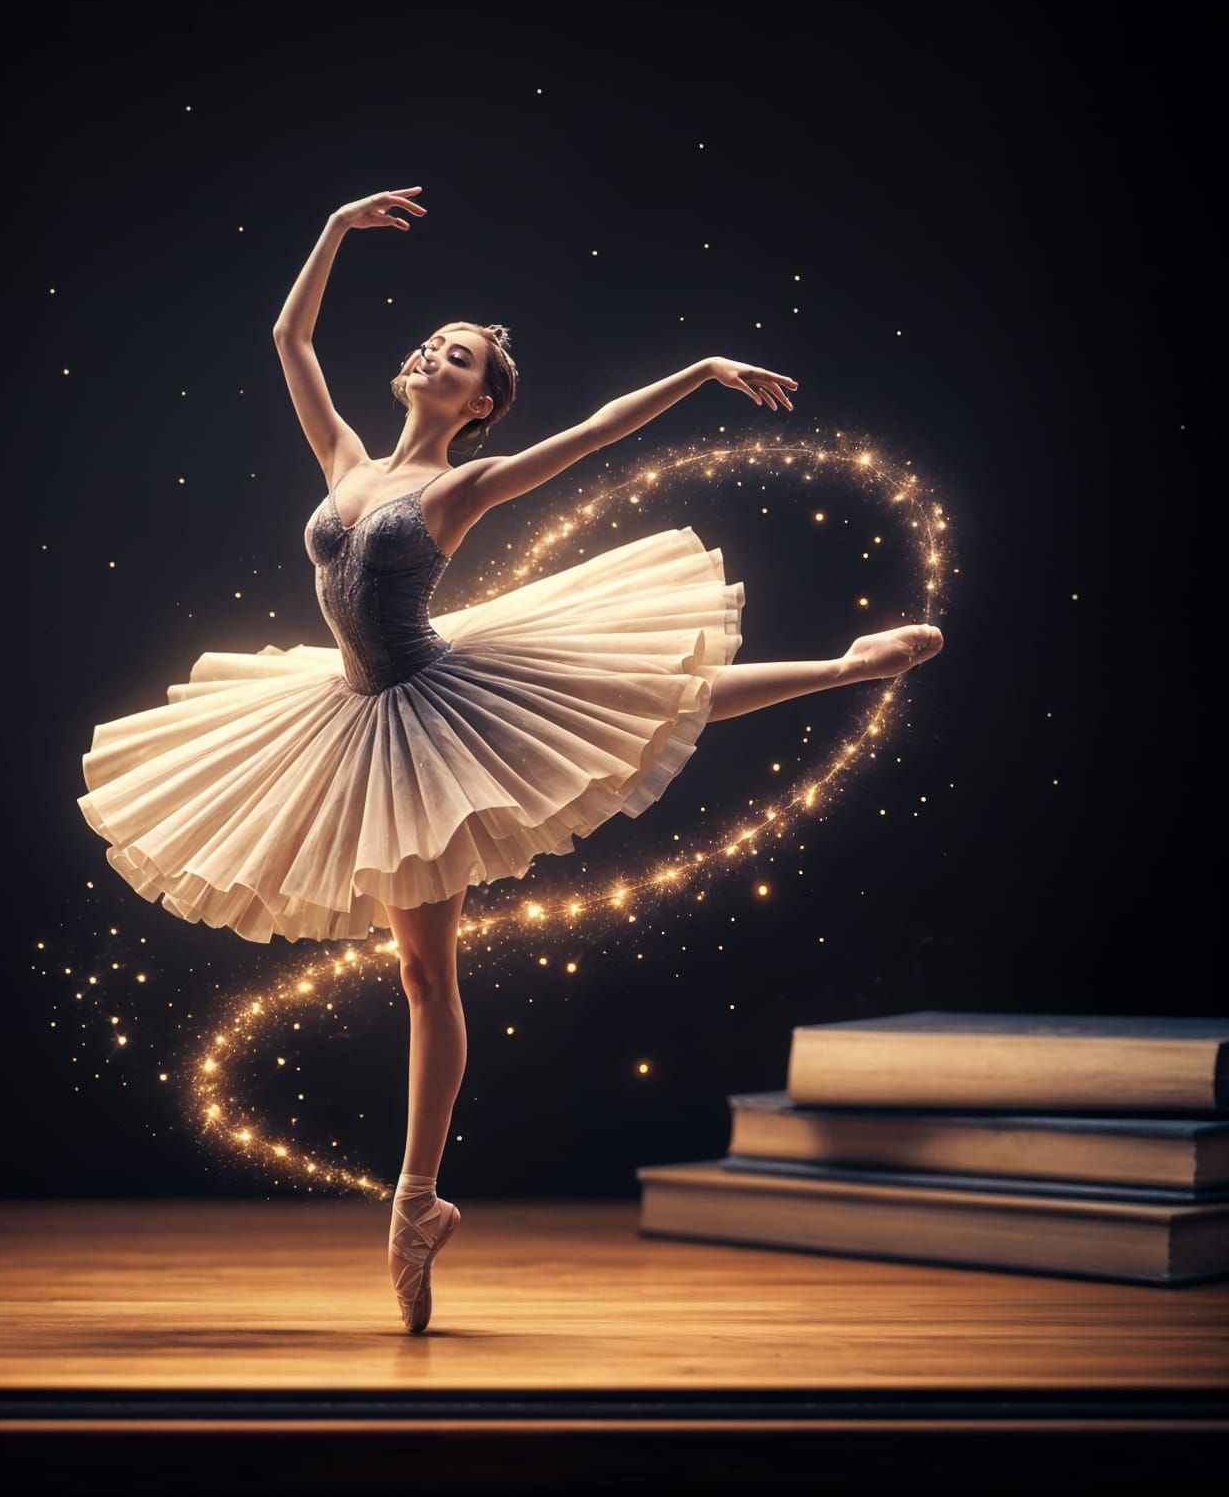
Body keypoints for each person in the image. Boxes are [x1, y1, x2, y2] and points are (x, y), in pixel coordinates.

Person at [76, 187, 945, 1333]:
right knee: (423, 972)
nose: (436, 351)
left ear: (480, 403)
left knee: (631, 727)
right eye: (434, 340)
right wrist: (335, 229)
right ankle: (425, 1207)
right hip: (349, 712)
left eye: (463, 356)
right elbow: (289, 340)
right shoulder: (343, 460)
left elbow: (593, 436)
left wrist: (702, 370)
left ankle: (415, 1198)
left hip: (430, 707)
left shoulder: (463, 484)